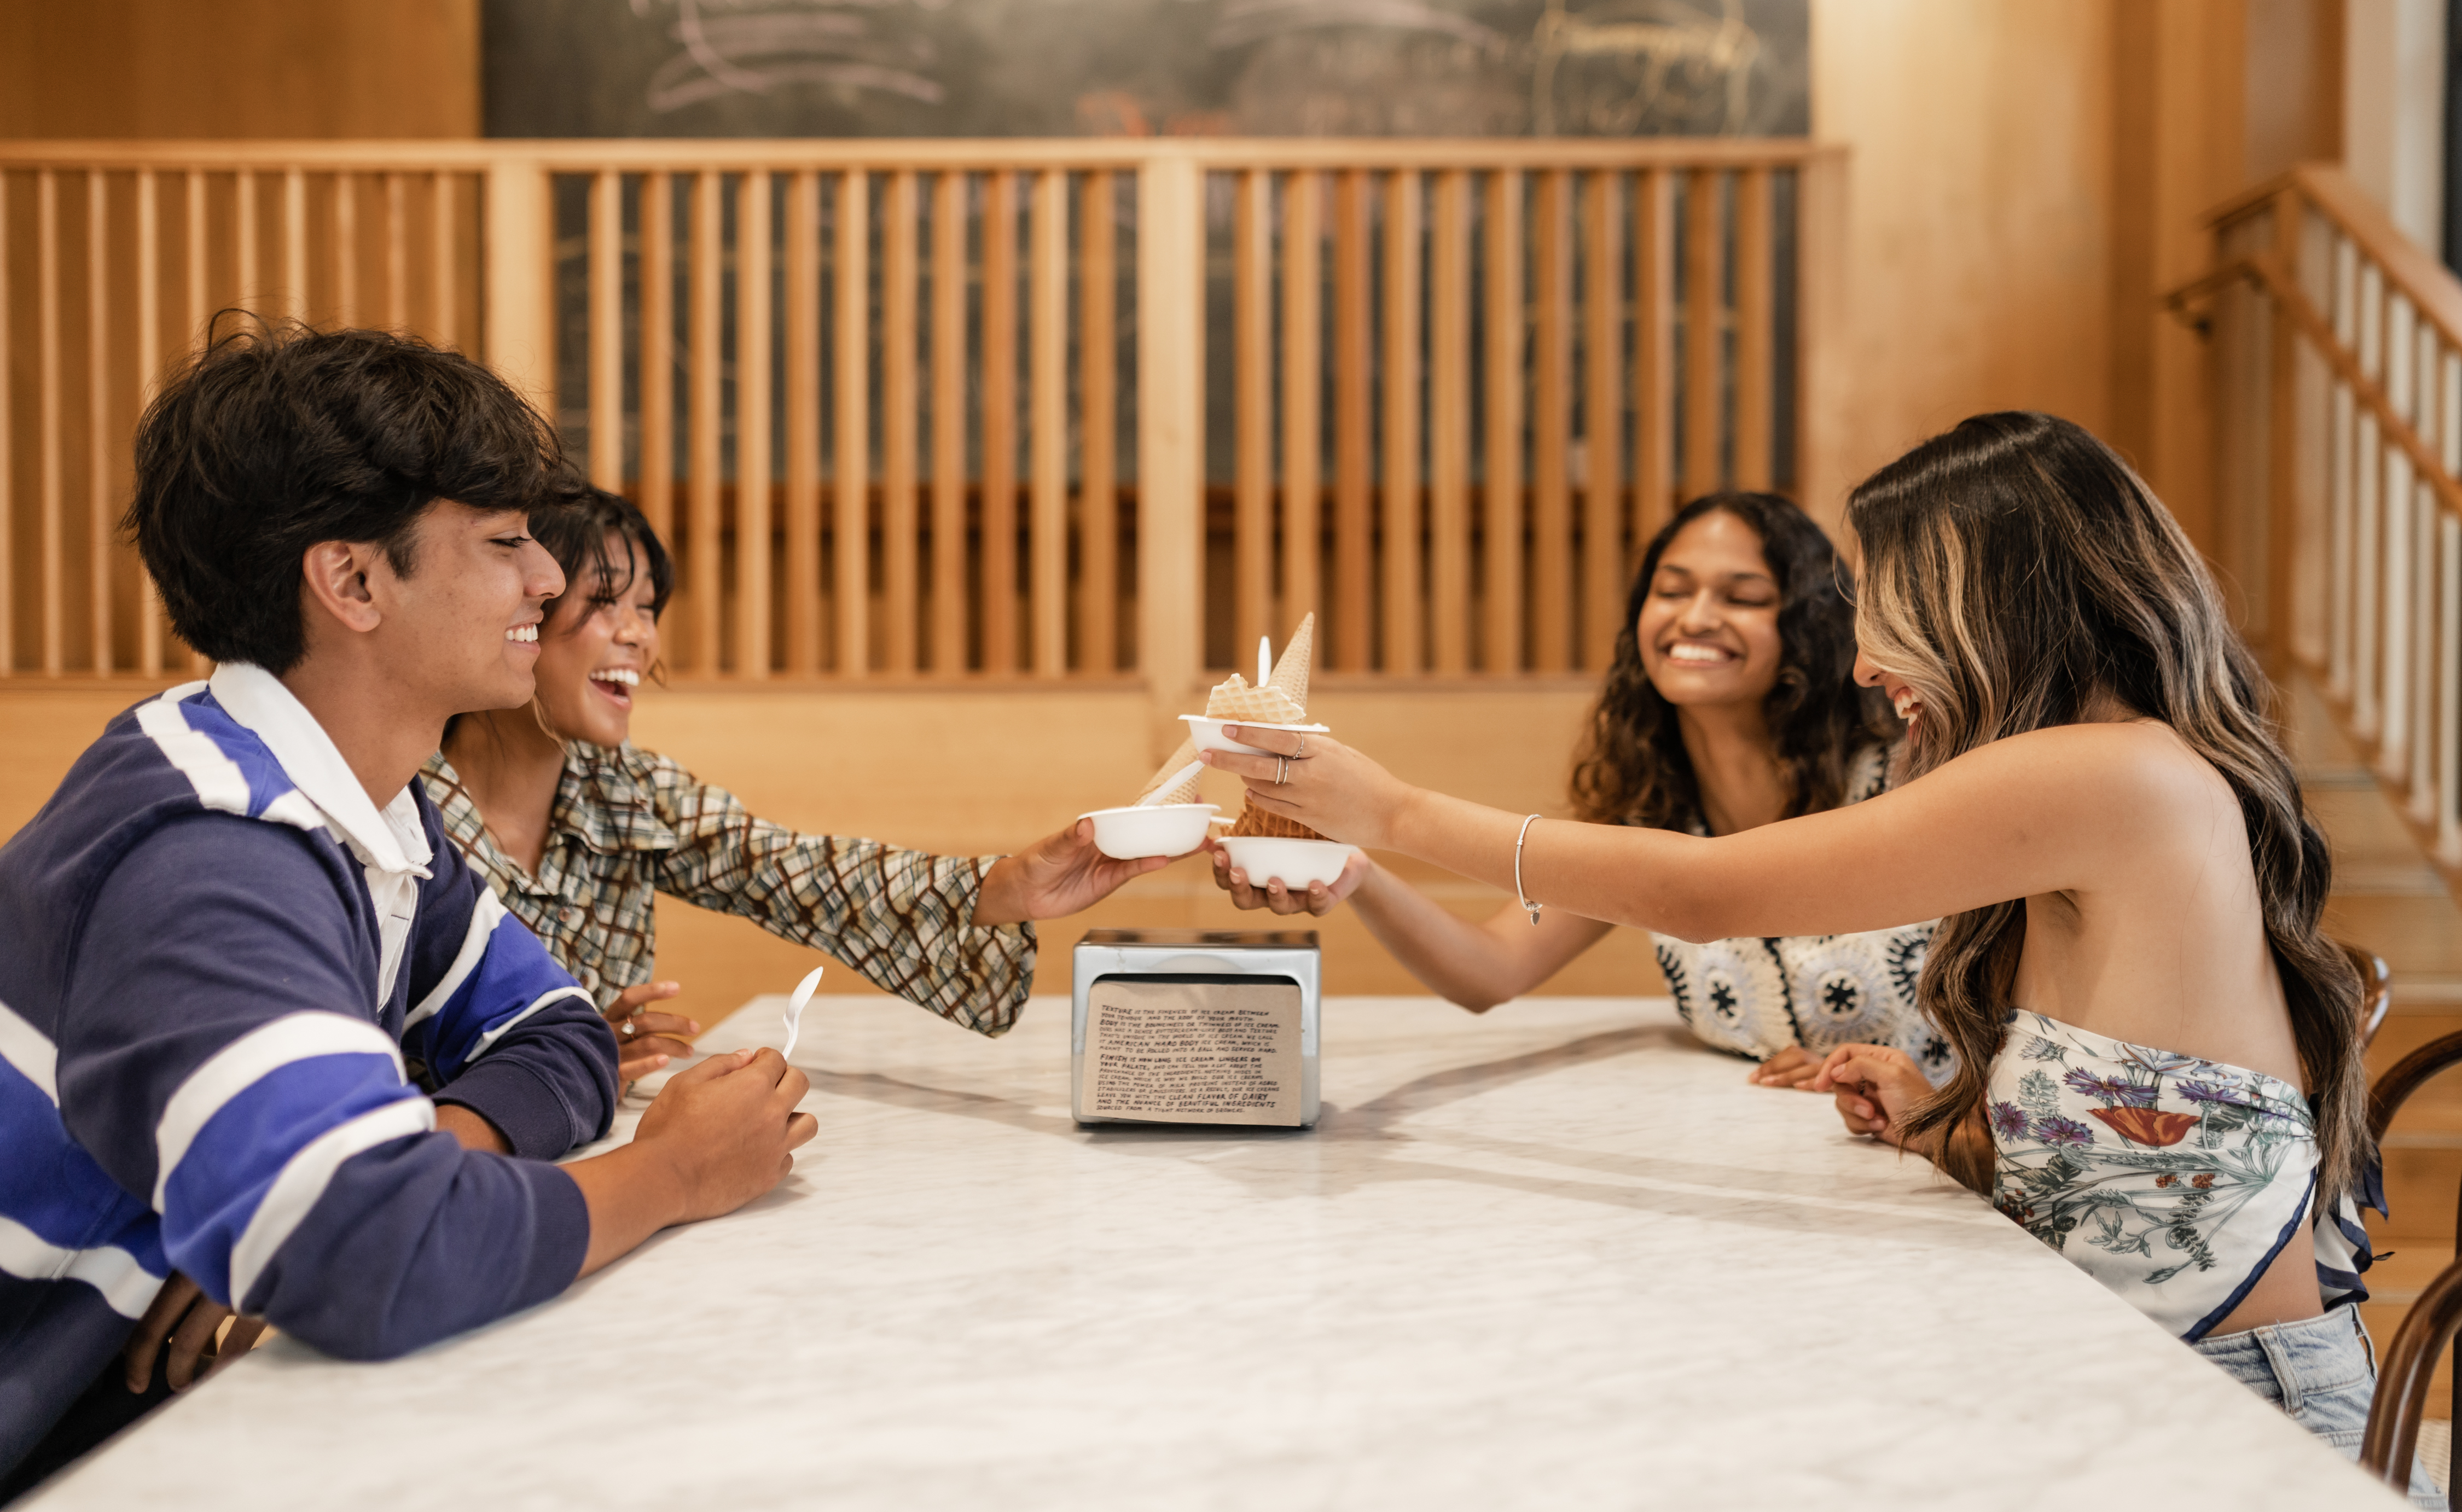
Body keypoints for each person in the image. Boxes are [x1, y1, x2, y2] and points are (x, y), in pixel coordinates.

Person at [1198, 413, 2426, 1496]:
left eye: (1883, 607)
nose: (1861, 661)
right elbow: (2137, 1129)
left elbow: (1704, 893)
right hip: (2129, 1357)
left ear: (1982, 595)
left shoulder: (2112, 775)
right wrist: (1951, 1114)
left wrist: (1393, 813)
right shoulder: (2098, 783)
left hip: (2232, 1402)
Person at [0, 323, 813, 1497]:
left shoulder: (371, 814)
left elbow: (558, 1030)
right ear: (352, 581)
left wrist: (405, 1158)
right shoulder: (214, 847)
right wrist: (674, 1174)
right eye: (504, 542)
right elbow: (376, 1257)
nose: (548, 578)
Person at [422, 473, 1172, 1084]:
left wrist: (1007, 883)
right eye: (605, 601)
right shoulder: (402, 808)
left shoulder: (625, 789)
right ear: (522, 609)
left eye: (648, 607)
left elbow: (795, 871)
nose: (638, 633)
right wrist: (569, 1061)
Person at [1213, 493, 1944, 1088]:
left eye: (1743, 595)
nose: (1695, 617)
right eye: (1672, 589)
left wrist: (1916, 1083)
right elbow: (1490, 968)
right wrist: (1353, 869)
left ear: (1810, 625)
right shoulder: (1651, 811)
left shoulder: (1910, 774)